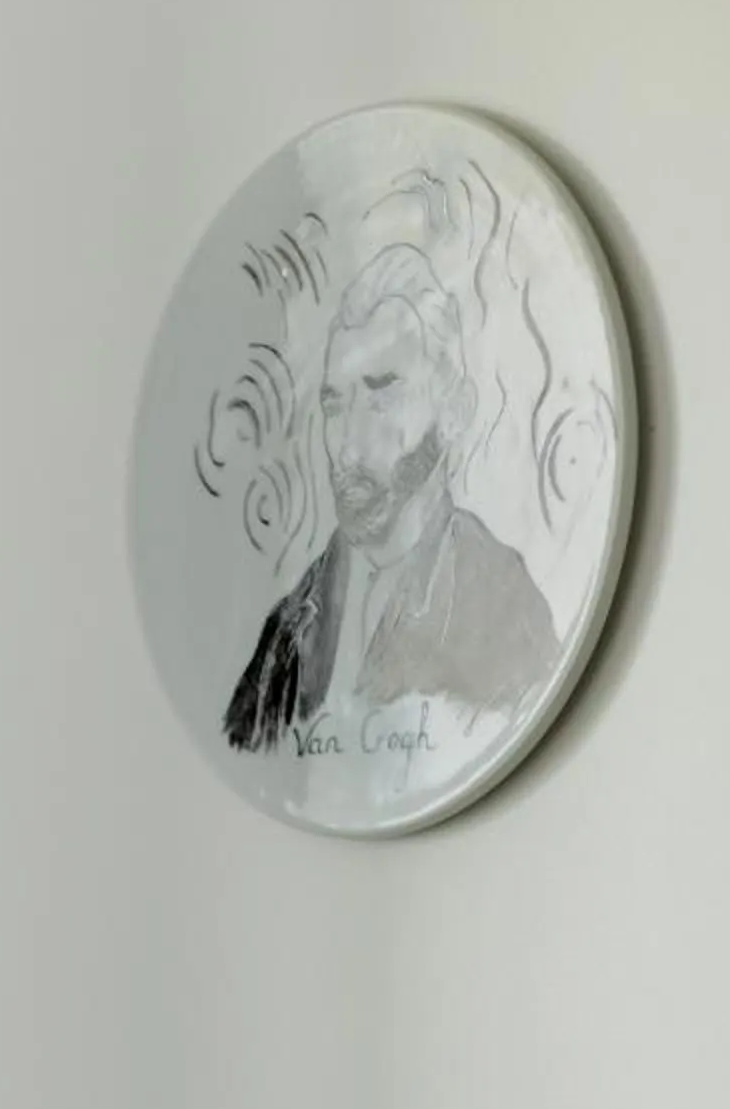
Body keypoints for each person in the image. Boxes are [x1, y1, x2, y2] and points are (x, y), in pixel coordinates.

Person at [223, 245, 558, 754]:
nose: (348, 442)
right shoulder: (289, 627)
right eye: (334, 404)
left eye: (382, 392)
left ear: (454, 412)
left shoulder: (505, 608)